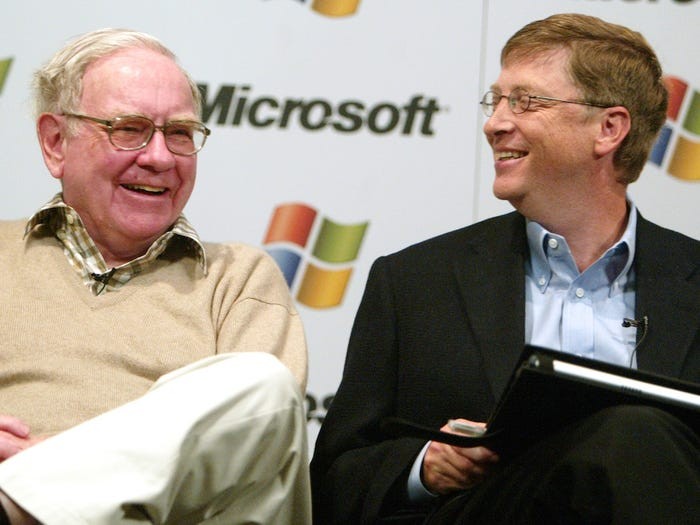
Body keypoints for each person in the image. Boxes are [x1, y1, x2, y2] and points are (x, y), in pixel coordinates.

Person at [310, 13, 700, 524]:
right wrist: (425, 467)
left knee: (633, 434)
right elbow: (332, 481)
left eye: (525, 101)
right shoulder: (416, 282)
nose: (494, 123)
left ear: (609, 129)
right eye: (495, 101)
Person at [0, 29, 311, 524]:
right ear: (56, 142)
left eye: (181, 134)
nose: (160, 157)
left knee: (264, 385)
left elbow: (260, 442)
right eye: (129, 129)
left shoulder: (239, 278)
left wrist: (50, 468)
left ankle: (23, 502)